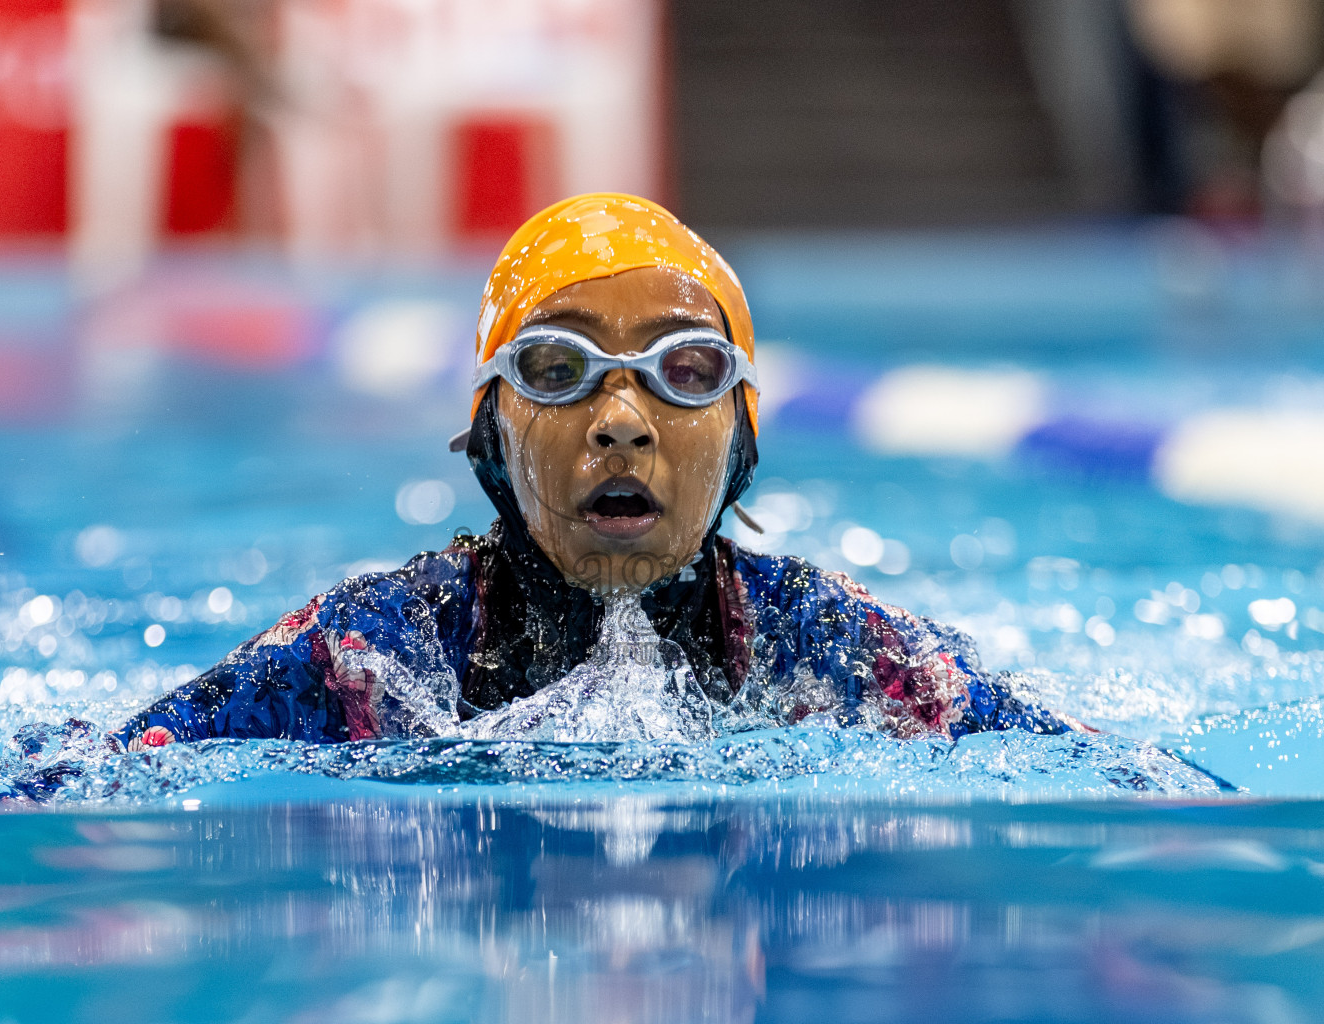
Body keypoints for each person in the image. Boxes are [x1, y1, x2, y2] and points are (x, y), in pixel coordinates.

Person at [111, 192, 1076, 755]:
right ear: (490, 433)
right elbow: (85, 778)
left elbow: (1098, 774)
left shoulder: (832, 648)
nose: (621, 424)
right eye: (557, 369)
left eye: (684, 372)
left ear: (743, 436)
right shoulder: (379, 655)